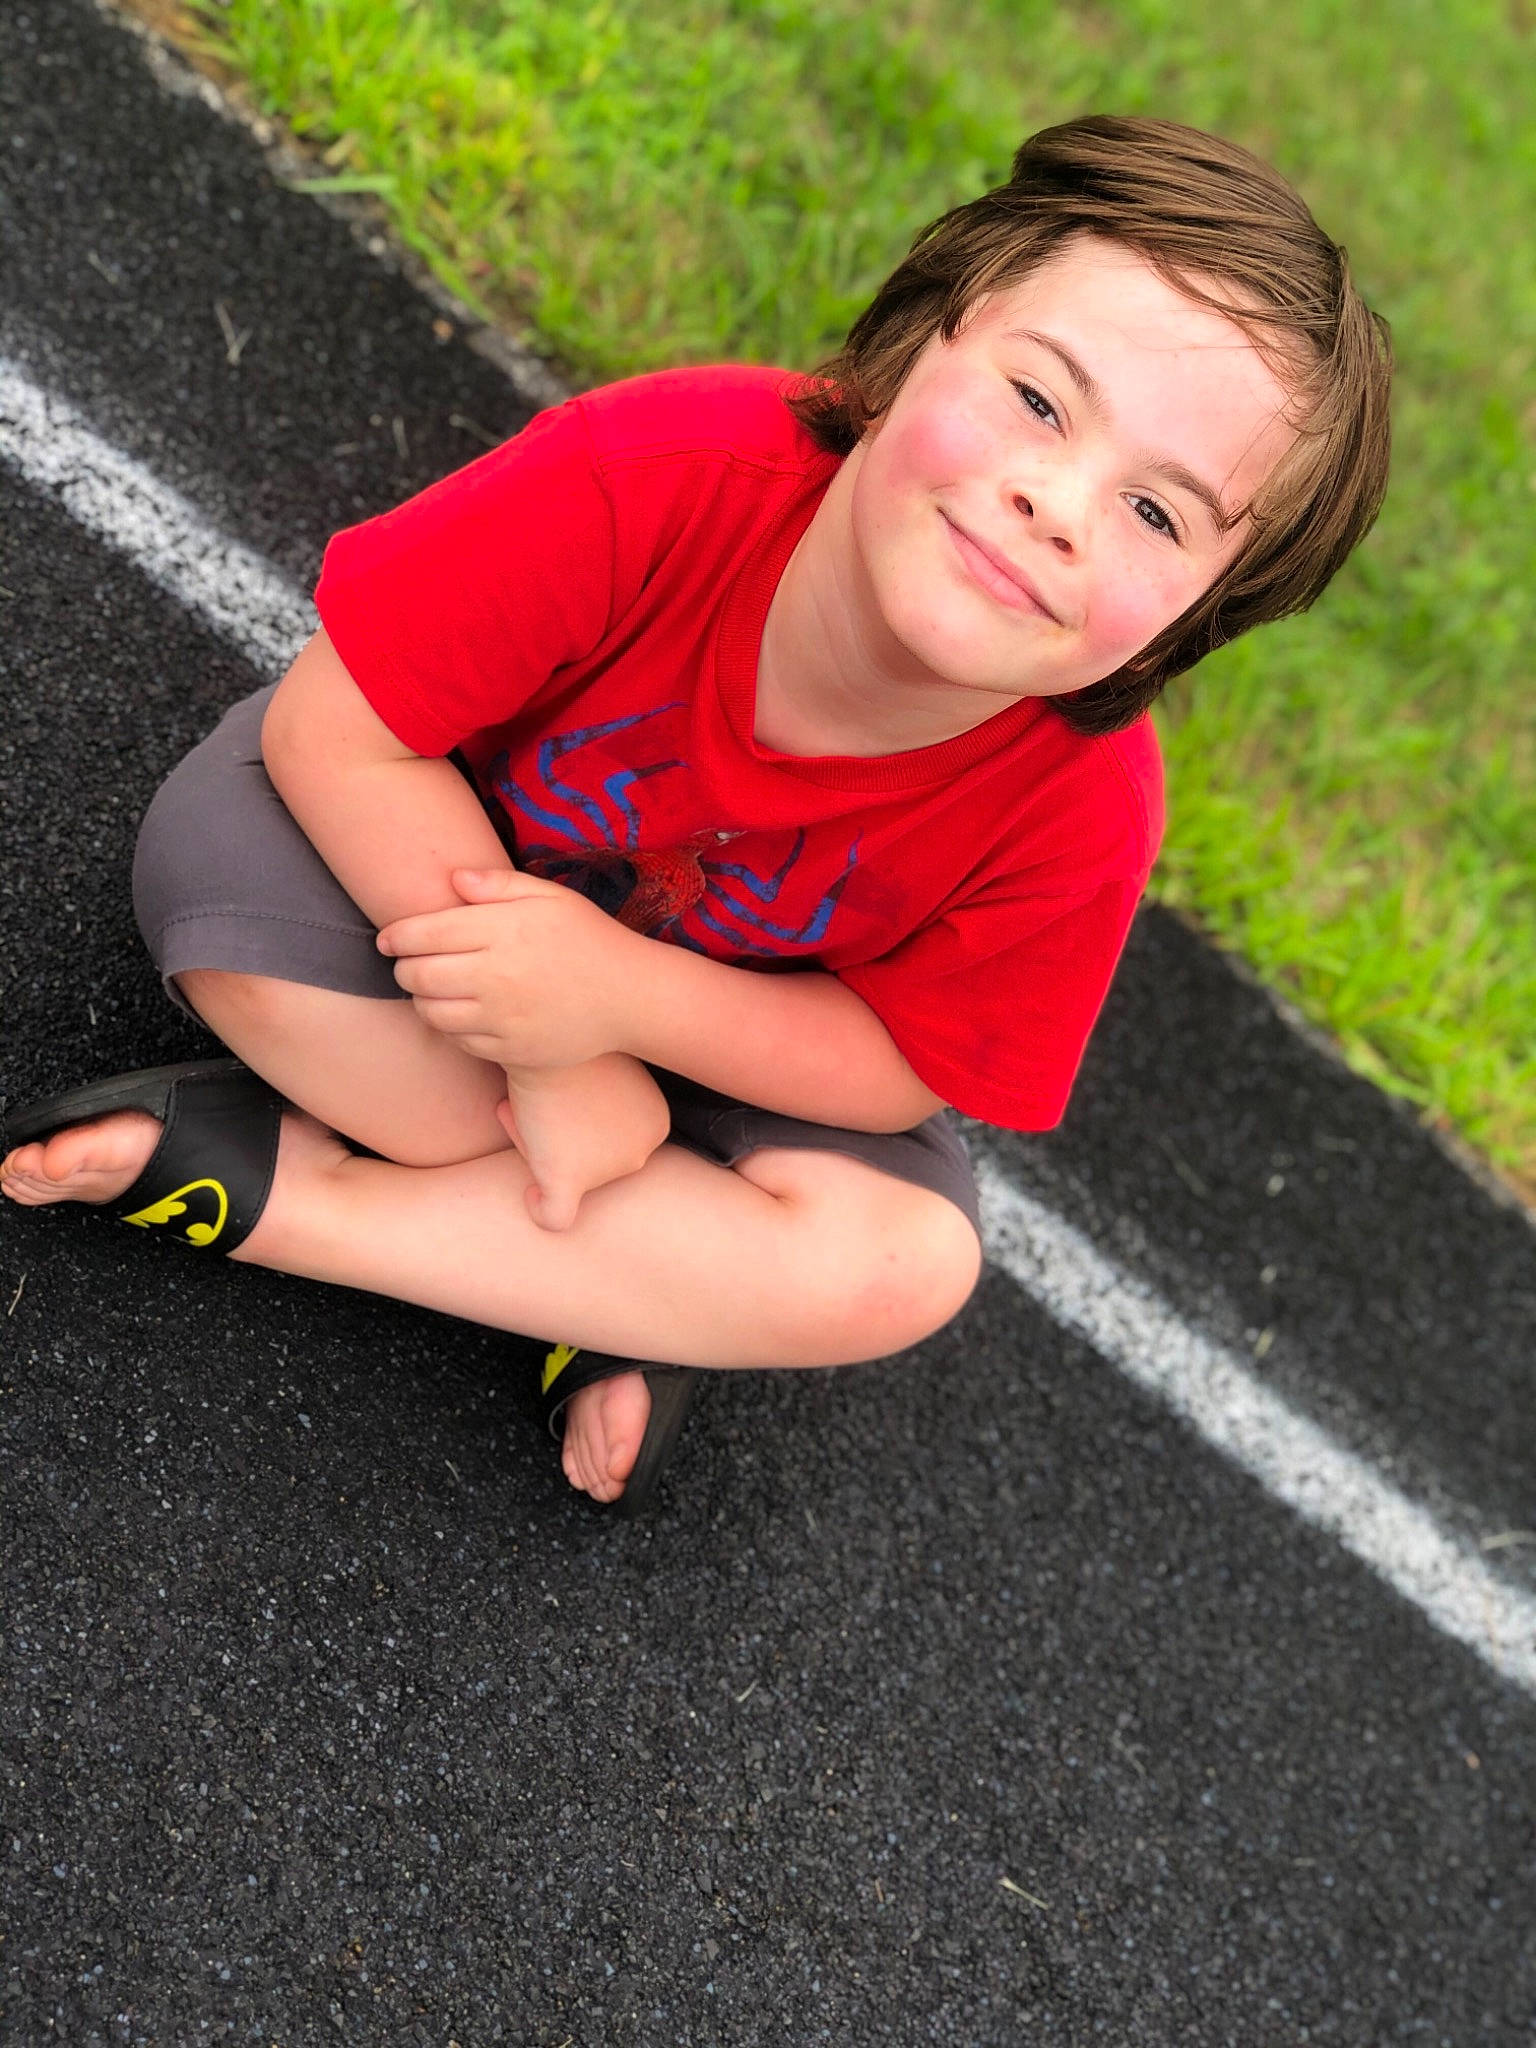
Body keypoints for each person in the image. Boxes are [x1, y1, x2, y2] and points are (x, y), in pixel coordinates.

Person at [1, 117, 1391, 1512]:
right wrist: (553, 1060)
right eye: (1041, 401)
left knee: (905, 1263)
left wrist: (614, 1010)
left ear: (1197, 622)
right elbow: (337, 733)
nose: (1062, 504)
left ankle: (306, 1208)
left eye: (1160, 515)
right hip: (407, 872)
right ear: (917, 345)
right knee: (222, 894)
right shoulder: (667, 467)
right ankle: (625, 1280)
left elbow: (899, 1067)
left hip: (703, 1030)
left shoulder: (1085, 805)